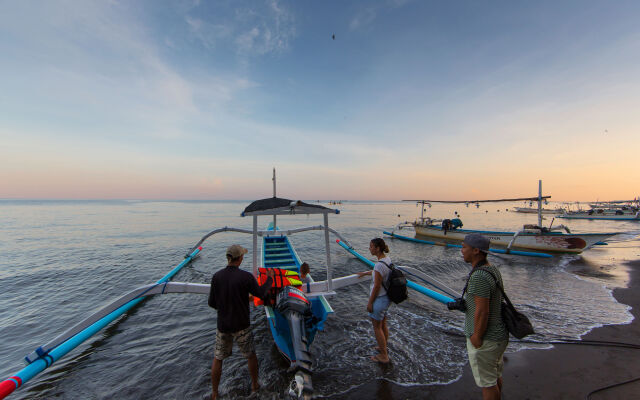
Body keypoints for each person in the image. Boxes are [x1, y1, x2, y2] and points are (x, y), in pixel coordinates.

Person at [208, 244, 274, 399]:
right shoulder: (245, 277)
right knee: (251, 355)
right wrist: (270, 279)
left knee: (218, 358)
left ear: (228, 258)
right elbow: (262, 294)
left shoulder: (217, 276)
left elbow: (212, 302)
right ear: (240, 259)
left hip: (223, 325)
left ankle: (215, 393)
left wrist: (225, 305)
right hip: (242, 325)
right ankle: (254, 385)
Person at [460, 233, 509, 400]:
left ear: (475, 251)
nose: (461, 251)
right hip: (498, 335)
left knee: (487, 383)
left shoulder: (479, 276)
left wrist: (477, 337)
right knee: (494, 377)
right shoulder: (492, 269)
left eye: (464, 247)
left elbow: (482, 311)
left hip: (486, 338)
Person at [356, 238, 392, 363]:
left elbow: (377, 286)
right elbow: (378, 273)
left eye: (371, 246)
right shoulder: (386, 260)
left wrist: (370, 302)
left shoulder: (378, 265)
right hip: (387, 298)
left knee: (377, 327)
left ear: (377, 248)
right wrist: (365, 273)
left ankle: (384, 356)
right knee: (383, 324)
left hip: (379, 299)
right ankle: (383, 347)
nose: (369, 248)